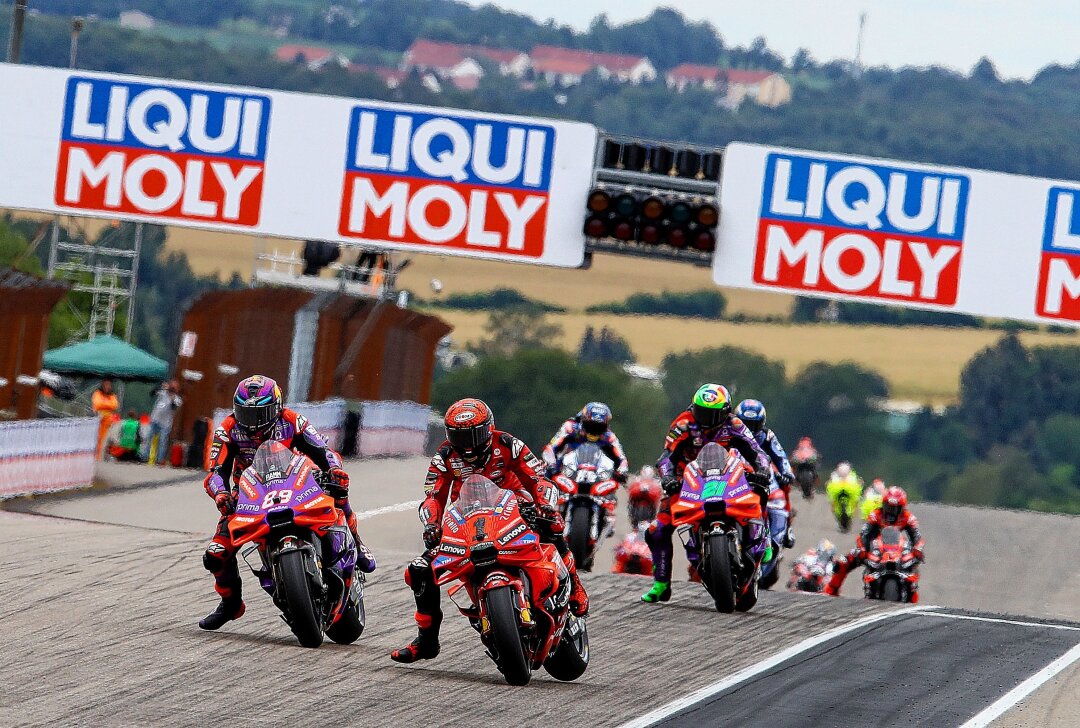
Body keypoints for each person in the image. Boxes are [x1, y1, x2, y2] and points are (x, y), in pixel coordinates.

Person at [390, 398, 589, 664]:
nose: (468, 444)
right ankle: (427, 640)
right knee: (418, 569)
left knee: (552, 527)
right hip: (467, 519)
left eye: (474, 434)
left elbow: (538, 478)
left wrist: (543, 505)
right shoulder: (445, 456)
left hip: (517, 507)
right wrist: (432, 525)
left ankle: (575, 586)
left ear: (489, 429)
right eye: (459, 436)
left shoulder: (508, 444)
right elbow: (433, 496)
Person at [198, 375, 371, 631]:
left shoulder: (292, 420)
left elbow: (323, 451)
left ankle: (356, 542)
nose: (253, 422)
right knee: (215, 555)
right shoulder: (227, 429)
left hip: (299, 484)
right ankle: (231, 604)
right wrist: (221, 494)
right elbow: (215, 472)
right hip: (250, 496)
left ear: (276, 407)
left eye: (261, 413)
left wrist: (333, 469)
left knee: (338, 492)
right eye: (246, 413)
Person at [641, 383, 772, 603]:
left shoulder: (735, 424)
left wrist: (762, 470)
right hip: (687, 481)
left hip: (727, 475)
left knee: (760, 489)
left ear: (725, 411)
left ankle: (763, 539)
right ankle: (661, 584)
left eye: (711, 414)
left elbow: (756, 451)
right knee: (657, 529)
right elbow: (666, 457)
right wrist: (668, 478)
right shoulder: (683, 424)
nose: (705, 418)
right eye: (701, 411)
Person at [825, 486, 925, 600]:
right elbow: (864, 534)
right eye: (888, 507)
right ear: (883, 504)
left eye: (895, 508)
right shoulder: (875, 514)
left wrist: (918, 549)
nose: (890, 512)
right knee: (843, 561)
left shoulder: (908, 517)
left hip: (898, 550)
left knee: (913, 568)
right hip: (876, 547)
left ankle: (912, 598)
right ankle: (831, 591)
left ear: (902, 508)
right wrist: (862, 548)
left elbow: (917, 536)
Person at [735, 399, 797, 549]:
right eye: (745, 424)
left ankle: (786, 527)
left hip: (762, 476)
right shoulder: (729, 434)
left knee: (784, 485)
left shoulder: (767, 436)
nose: (748, 430)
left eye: (753, 425)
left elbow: (780, 455)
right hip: (735, 477)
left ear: (761, 423)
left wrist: (786, 473)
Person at [542, 401, 629, 481]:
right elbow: (550, 448)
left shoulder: (609, 436)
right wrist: (552, 464)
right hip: (562, 473)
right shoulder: (570, 428)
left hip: (597, 478)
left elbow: (622, 459)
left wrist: (622, 471)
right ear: (583, 419)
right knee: (545, 481)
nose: (594, 430)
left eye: (599, 426)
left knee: (612, 491)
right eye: (591, 425)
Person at [143, 380, 182, 464]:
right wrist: (160, 385)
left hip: (165, 424)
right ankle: (144, 457)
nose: (172, 388)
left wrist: (172, 397)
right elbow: (152, 393)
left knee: (162, 441)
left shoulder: (177, 399)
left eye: (174, 387)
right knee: (149, 438)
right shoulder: (162, 393)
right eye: (171, 386)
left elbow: (173, 407)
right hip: (155, 419)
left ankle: (160, 459)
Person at [825, 462, 862, 530]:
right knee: (833, 503)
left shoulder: (852, 476)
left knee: (855, 502)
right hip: (837, 493)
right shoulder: (834, 476)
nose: (843, 473)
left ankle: (850, 514)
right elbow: (829, 485)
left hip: (849, 493)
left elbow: (857, 486)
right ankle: (838, 514)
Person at [92, 379, 119, 460]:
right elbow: (97, 404)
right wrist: (107, 405)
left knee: (106, 440)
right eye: (106, 385)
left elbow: (114, 405)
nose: (107, 387)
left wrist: (104, 404)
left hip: (108, 422)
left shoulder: (112, 395)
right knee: (98, 439)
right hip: (99, 420)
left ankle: (102, 457)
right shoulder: (97, 393)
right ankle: (97, 457)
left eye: (109, 385)